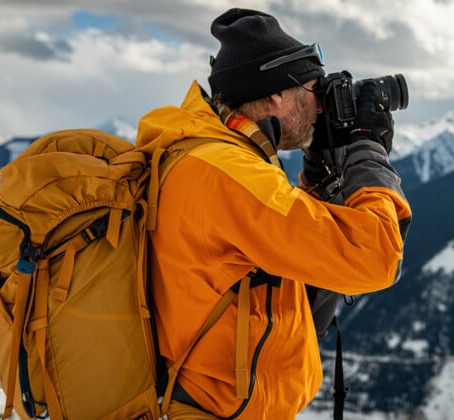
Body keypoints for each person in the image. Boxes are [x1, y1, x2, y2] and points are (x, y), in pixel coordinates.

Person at [136, 8, 411, 419]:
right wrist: (367, 148)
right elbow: (374, 256)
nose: (321, 107)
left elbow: (293, 259)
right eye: (316, 91)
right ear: (279, 93)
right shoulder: (231, 176)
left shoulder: (201, 151)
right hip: (216, 410)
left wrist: (320, 170)